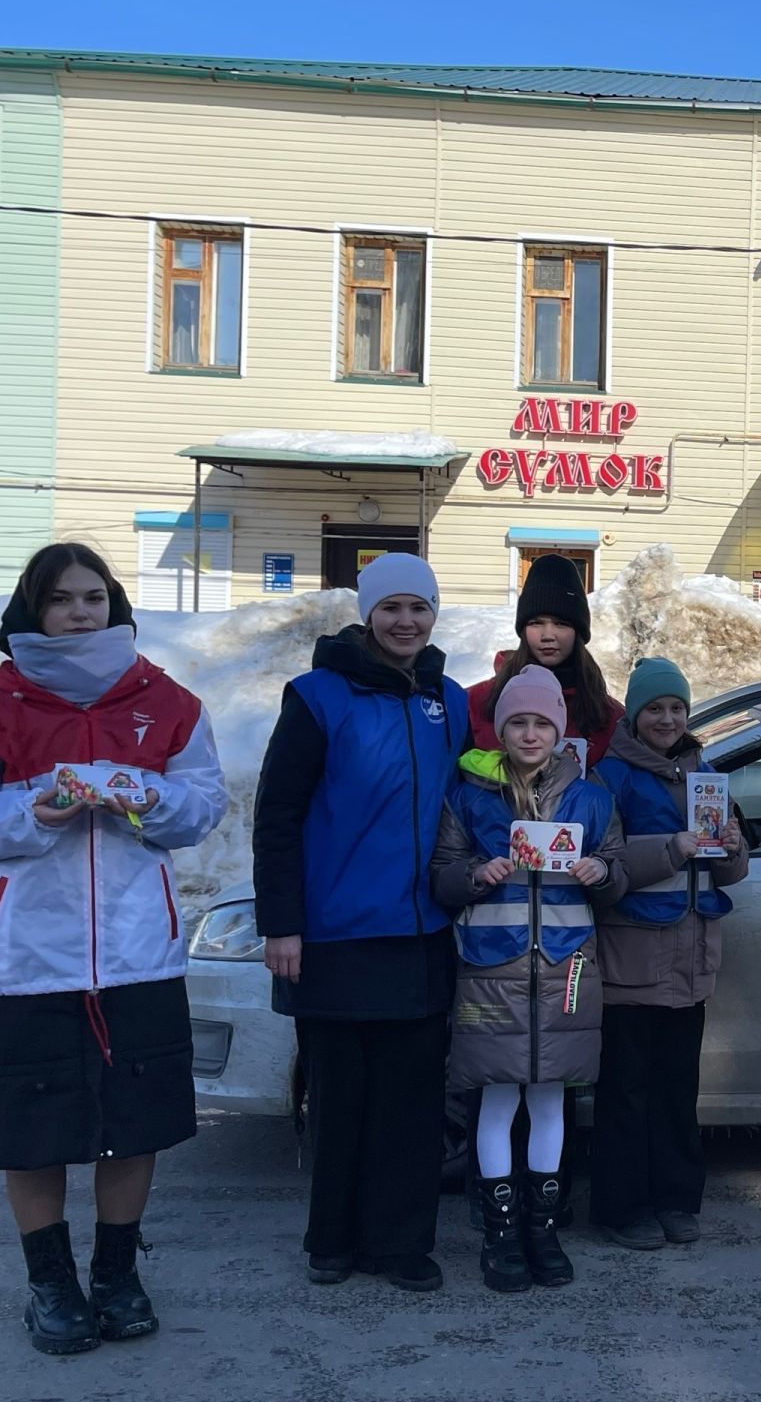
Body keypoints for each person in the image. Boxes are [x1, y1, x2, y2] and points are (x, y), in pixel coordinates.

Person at [0, 544, 226, 1355]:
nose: (80, 612)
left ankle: (115, 1272)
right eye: (61, 599)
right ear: (31, 610)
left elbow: (202, 804)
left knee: (133, 1122)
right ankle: (51, 1284)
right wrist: (35, 811)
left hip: (140, 951)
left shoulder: (168, 701)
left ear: (114, 605)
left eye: (94, 598)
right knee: (30, 1128)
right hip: (24, 958)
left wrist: (148, 796)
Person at [251, 554, 469, 1292]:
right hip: (336, 935)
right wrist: (282, 923)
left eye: (420, 608)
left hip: (420, 936)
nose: (406, 622)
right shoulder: (318, 697)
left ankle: (400, 1244)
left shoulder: (452, 700)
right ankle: (332, 1243)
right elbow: (277, 814)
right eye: (391, 608)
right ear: (367, 614)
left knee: (411, 1106)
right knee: (340, 1100)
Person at [432, 665, 627, 1292]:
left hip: (566, 971)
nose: (530, 732)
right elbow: (442, 875)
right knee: (495, 1097)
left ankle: (542, 1232)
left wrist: (601, 870)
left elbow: (619, 872)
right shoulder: (468, 793)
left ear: (559, 729)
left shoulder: (592, 796)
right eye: (518, 721)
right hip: (492, 973)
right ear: (500, 730)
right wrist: (474, 876)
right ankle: (500, 1236)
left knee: (550, 1100)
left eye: (543, 722)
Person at [593, 657, 749, 1249]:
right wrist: (672, 847)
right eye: (654, 709)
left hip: (692, 962)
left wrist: (730, 846)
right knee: (627, 1091)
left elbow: (731, 873)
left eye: (676, 708)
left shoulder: (707, 774)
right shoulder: (610, 777)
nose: (666, 718)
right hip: (632, 959)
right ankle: (622, 1207)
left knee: (678, 1089)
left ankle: (678, 1201)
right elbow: (601, 866)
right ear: (634, 715)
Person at [467, 554, 619, 767]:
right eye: (536, 622)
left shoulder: (610, 716)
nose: (548, 634)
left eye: (561, 624)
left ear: (578, 632)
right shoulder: (474, 703)